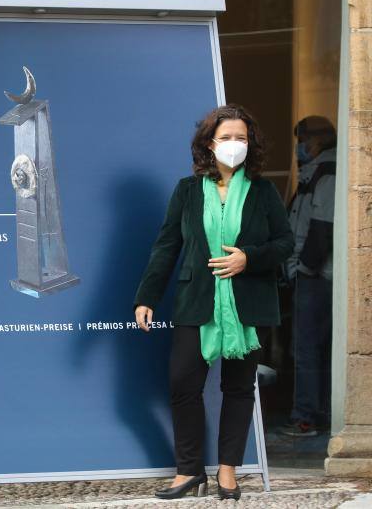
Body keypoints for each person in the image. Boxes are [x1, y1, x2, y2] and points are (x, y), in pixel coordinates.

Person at [134, 104, 293, 500]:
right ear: (210, 144)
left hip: (246, 304)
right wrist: (147, 295)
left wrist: (248, 258)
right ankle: (189, 472)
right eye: (226, 137)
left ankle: (227, 472)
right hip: (197, 301)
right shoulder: (188, 190)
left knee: (238, 389)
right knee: (182, 385)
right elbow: (167, 244)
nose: (234, 144)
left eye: (241, 137)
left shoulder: (263, 190)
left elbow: (285, 242)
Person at [282, 116, 337, 437]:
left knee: (307, 347)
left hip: (317, 277)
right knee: (313, 346)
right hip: (315, 274)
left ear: (315, 141)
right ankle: (317, 413)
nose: (298, 147)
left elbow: (322, 227)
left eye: (301, 140)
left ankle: (306, 416)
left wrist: (301, 268)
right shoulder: (315, 171)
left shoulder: (326, 173)